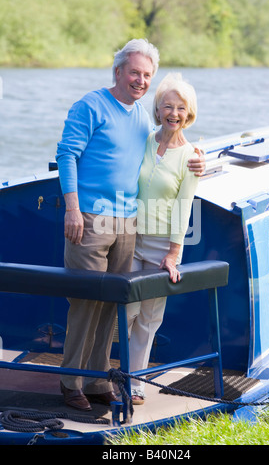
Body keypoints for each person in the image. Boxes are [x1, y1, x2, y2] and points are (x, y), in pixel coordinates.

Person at [56, 39, 205, 411]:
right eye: (135, 72)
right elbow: (66, 155)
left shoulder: (142, 116)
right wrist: (72, 209)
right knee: (87, 304)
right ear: (119, 71)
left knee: (112, 308)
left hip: (128, 225)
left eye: (146, 75)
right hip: (90, 220)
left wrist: (199, 159)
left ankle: (96, 380)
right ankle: (70, 383)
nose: (140, 80)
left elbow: (170, 141)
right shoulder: (90, 105)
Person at [127, 73, 199, 405]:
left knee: (148, 317)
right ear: (157, 109)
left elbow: (184, 208)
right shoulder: (142, 139)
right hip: (129, 237)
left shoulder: (191, 157)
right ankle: (104, 377)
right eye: (167, 106)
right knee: (124, 312)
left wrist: (174, 253)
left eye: (180, 108)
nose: (173, 113)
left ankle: (134, 383)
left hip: (162, 247)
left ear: (189, 113)